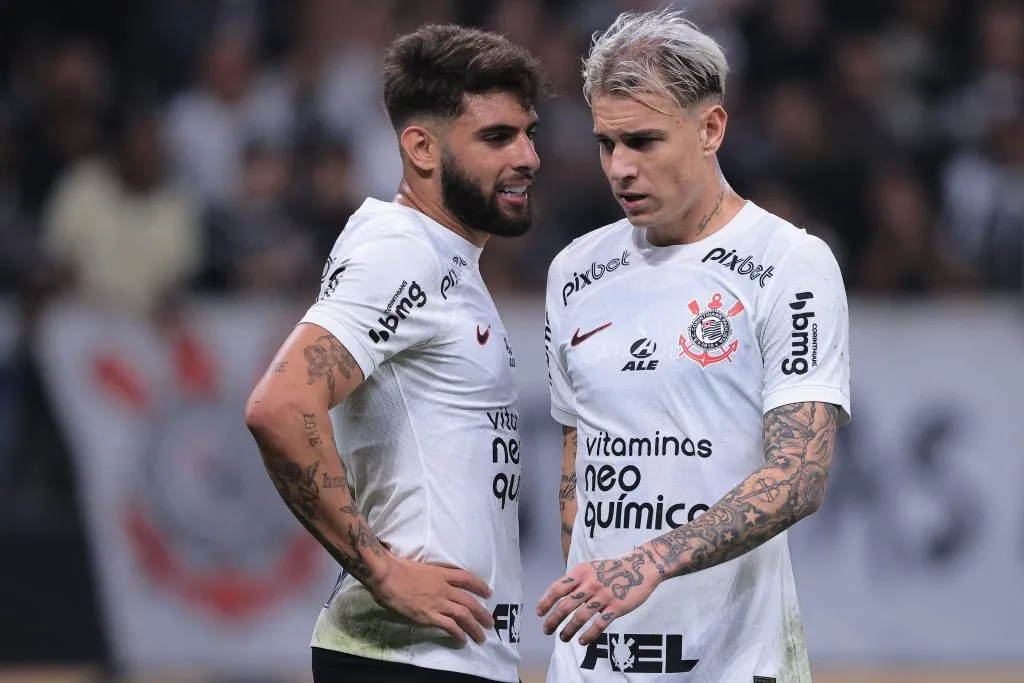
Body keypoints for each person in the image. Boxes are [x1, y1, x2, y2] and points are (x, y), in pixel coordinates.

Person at [537, 9, 850, 682]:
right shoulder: (574, 272)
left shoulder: (789, 263)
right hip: (596, 660)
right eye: (605, 143)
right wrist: (592, 589)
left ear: (710, 128)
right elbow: (577, 459)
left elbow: (800, 475)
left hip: (732, 660)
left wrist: (647, 561)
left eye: (644, 141)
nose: (619, 168)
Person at [245, 24, 543, 683]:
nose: (528, 156)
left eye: (529, 132)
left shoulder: (448, 261)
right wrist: (382, 571)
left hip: (448, 656)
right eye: (498, 137)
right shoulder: (401, 250)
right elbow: (280, 404)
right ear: (421, 148)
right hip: (408, 656)